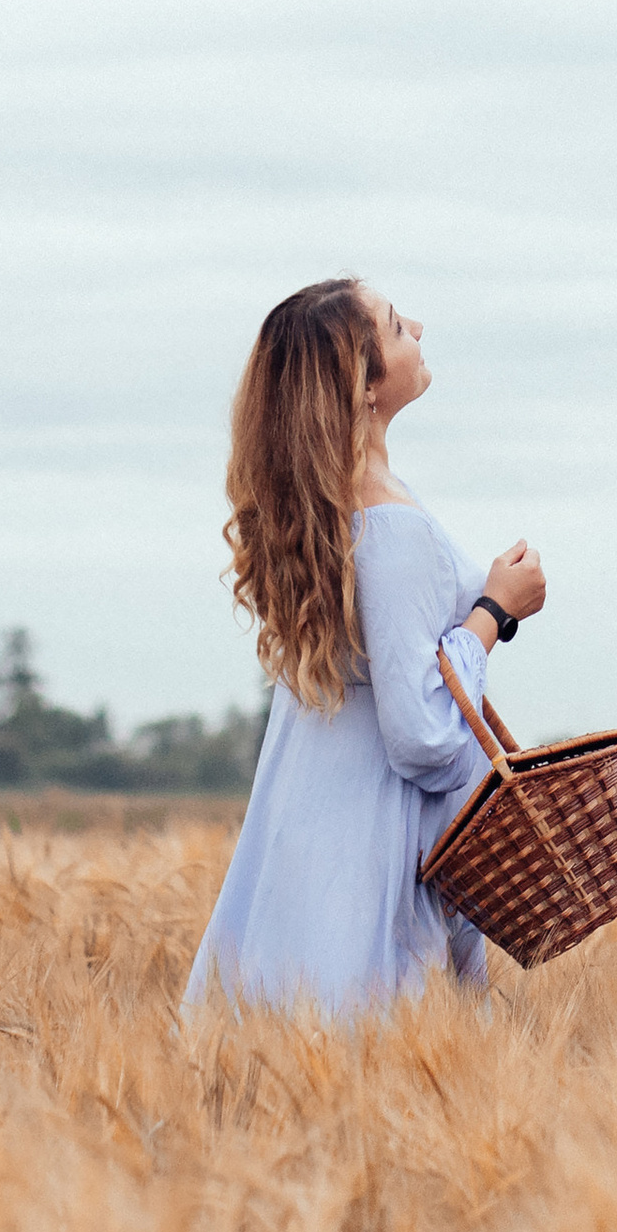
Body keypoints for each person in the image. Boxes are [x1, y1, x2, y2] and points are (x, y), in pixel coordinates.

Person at [184, 277, 546, 1016]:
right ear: (365, 384)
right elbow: (421, 739)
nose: (418, 322)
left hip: (304, 822)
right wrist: (494, 612)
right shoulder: (392, 528)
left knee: (278, 1037)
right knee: (363, 1039)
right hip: (368, 848)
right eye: (394, 326)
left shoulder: (327, 516)